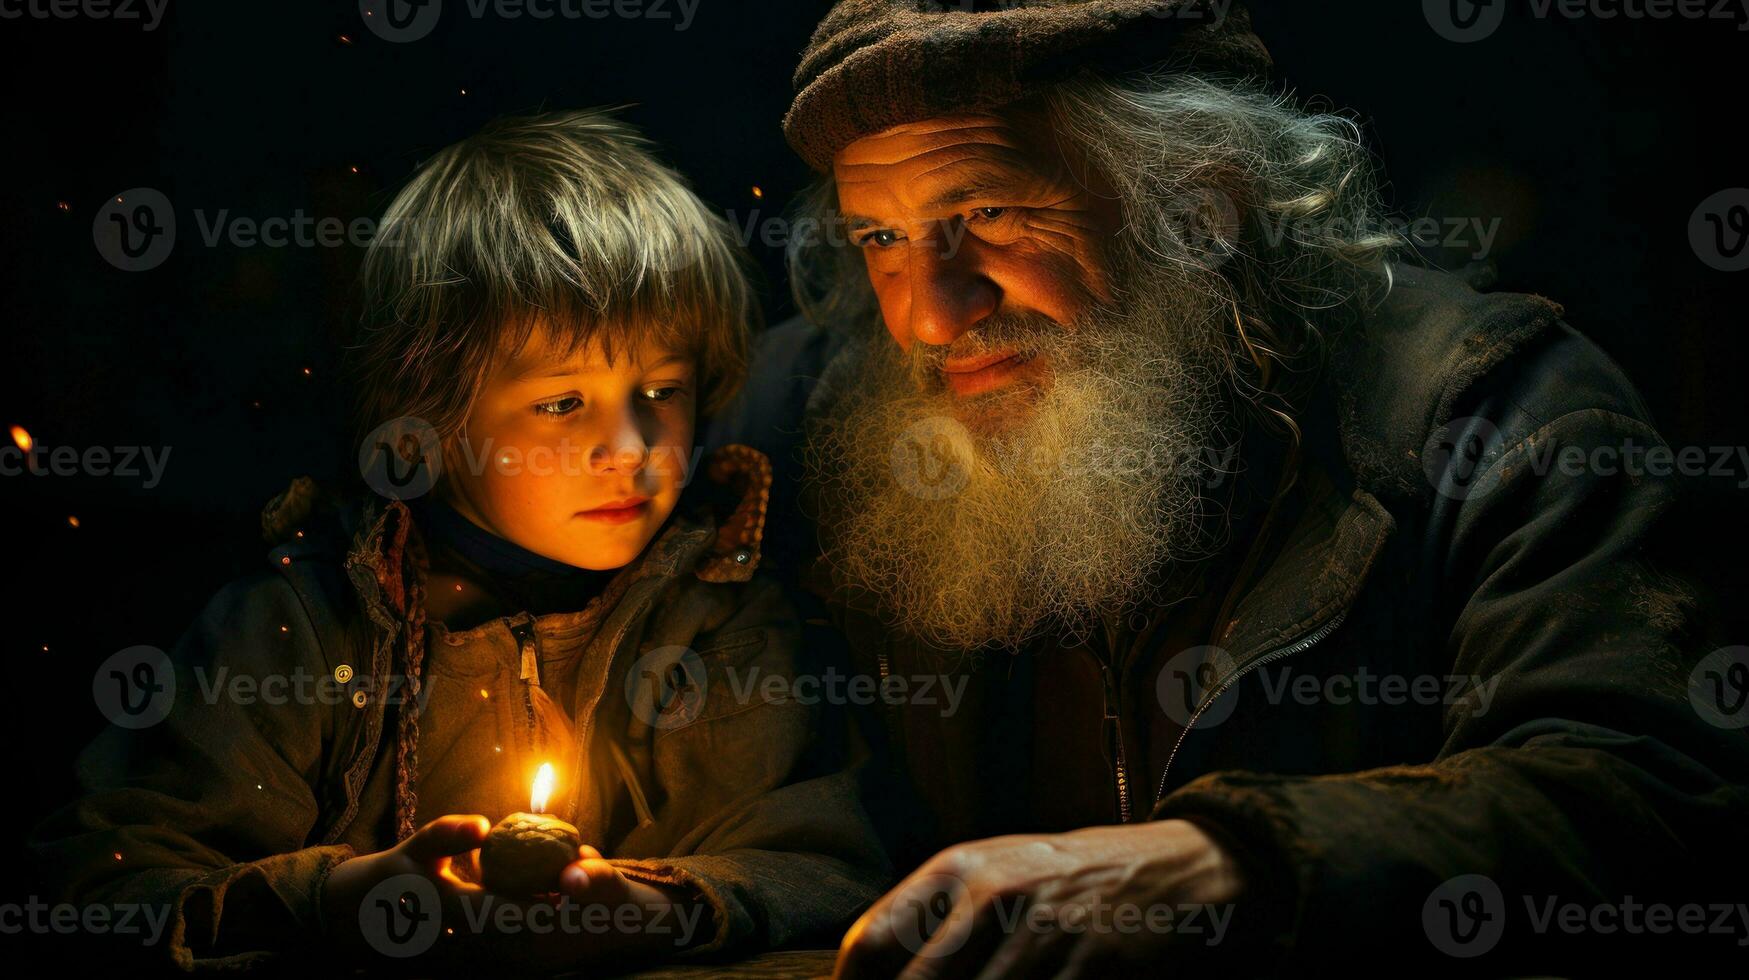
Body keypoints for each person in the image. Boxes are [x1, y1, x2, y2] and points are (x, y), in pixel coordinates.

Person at [705, 0, 1749, 974]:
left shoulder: (1483, 407)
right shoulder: (814, 408)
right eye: (881, 238)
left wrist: (1232, 858)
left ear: (1202, 202)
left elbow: (1653, 788)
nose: (929, 318)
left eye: (988, 211)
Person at [30, 109, 887, 973]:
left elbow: (825, 866)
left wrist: (658, 908)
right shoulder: (299, 629)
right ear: (430, 418)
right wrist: (334, 901)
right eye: (561, 403)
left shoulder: (721, 621)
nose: (630, 448)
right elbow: (99, 890)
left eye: (661, 391)